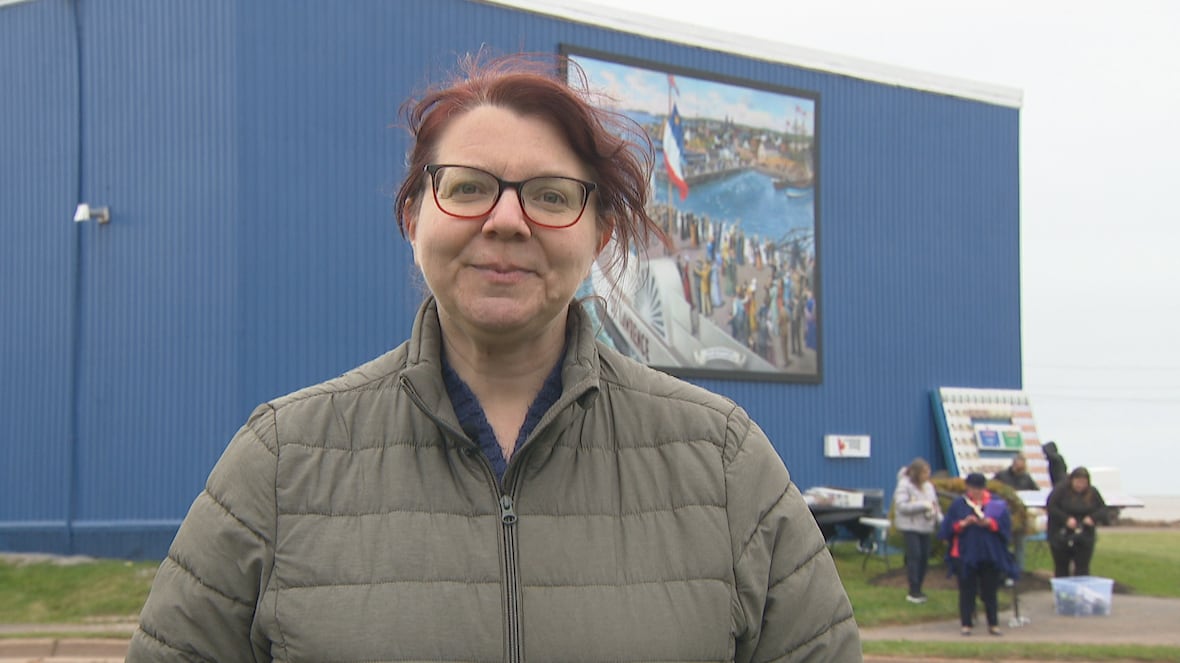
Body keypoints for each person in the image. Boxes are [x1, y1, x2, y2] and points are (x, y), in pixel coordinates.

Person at [126, 52, 861, 662]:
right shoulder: (281, 462)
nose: (506, 221)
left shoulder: (725, 463)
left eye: (548, 195)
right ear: (414, 215)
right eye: (469, 188)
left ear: (600, 233)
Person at [940, 473, 1016, 637]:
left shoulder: (996, 503)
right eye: (973, 488)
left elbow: (1006, 528)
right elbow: (947, 528)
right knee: (967, 589)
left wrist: (991, 523)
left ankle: (993, 624)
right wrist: (963, 524)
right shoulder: (959, 504)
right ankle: (966, 624)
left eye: (979, 489)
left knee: (990, 590)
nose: (976, 492)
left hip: (990, 553)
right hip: (965, 552)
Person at [893, 458, 942, 604]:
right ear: (916, 473)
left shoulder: (929, 487)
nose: (927, 475)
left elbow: (935, 505)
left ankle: (919, 588)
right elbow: (901, 506)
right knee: (915, 556)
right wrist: (922, 505)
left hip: (926, 526)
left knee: (925, 558)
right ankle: (913, 591)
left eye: (929, 472)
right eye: (925, 472)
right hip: (910, 527)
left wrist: (941, 520)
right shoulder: (904, 485)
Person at [1046, 466, 1108, 578]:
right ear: (1072, 480)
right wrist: (1066, 519)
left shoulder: (1092, 492)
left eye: (1083, 483)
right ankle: (1063, 591)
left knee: (1082, 568)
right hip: (1061, 534)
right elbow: (1051, 507)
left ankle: (1081, 591)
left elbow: (1103, 510)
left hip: (1084, 534)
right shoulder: (1061, 490)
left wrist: (1092, 518)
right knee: (1061, 567)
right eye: (1077, 482)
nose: (1080, 485)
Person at [993, 452, 1039, 572]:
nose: (1021, 468)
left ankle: (1019, 571)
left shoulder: (1026, 478)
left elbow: (1036, 493)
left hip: (1020, 516)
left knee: (1020, 544)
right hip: (1004, 514)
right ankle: (1002, 569)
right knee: (1003, 543)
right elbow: (992, 490)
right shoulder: (1002, 476)